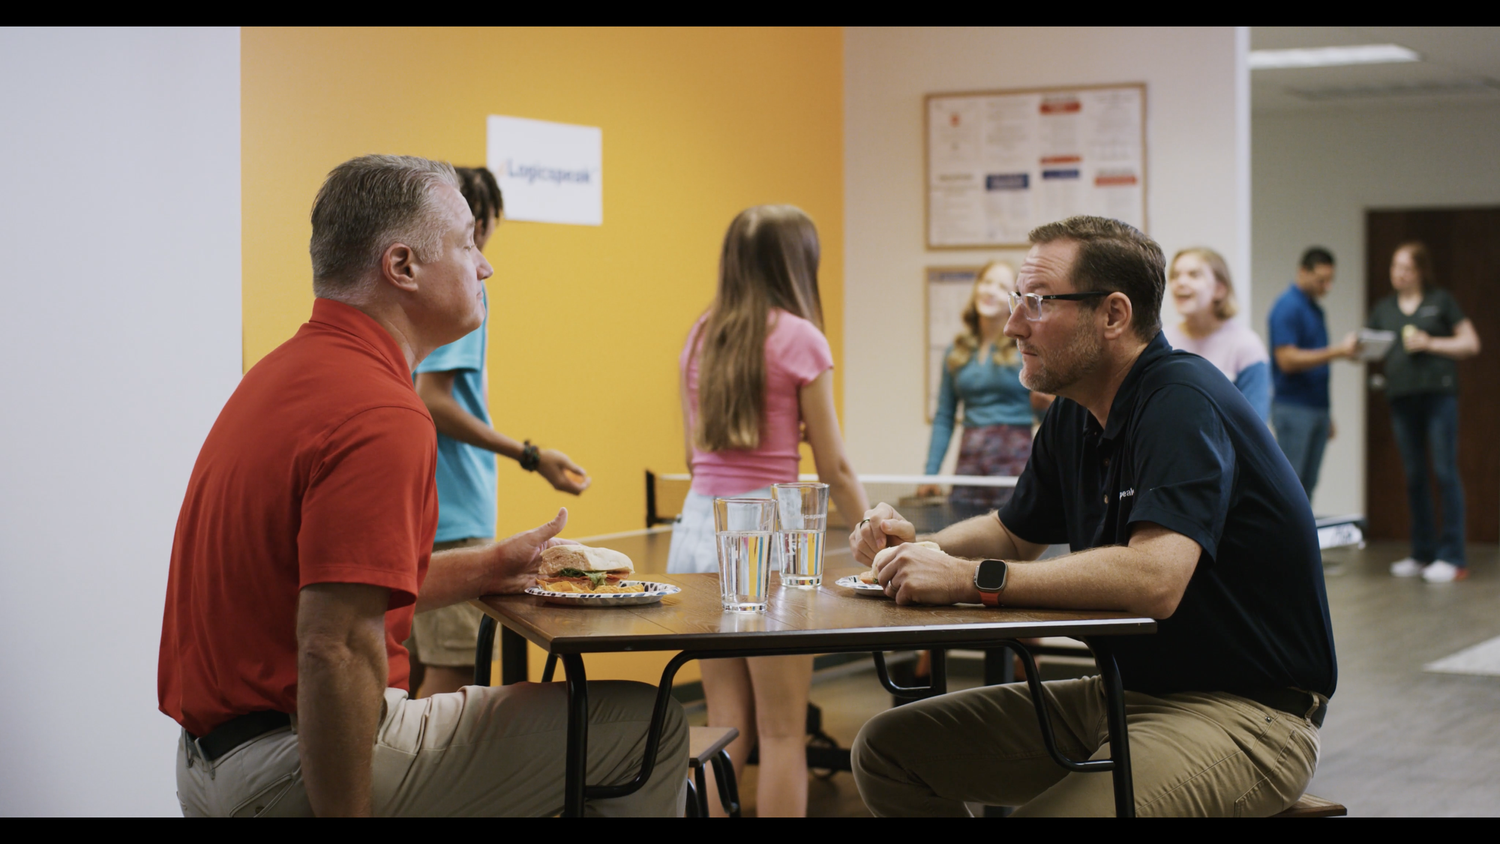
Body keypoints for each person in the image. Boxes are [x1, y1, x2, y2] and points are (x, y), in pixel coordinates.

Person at [159, 155, 686, 817]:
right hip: (296, 761)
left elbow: (330, 587)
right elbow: (334, 645)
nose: (486, 266)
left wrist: (492, 566)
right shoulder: (382, 411)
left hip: (210, 764)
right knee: (647, 727)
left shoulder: (279, 375)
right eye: (467, 244)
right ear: (402, 266)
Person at [848, 216, 1337, 817]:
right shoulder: (1075, 413)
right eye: (1015, 301)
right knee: (888, 750)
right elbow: (1011, 533)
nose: (1012, 324)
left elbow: (1155, 580)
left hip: (1246, 715)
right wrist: (918, 549)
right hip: (1123, 692)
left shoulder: (1180, 400)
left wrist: (968, 578)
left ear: (1113, 315)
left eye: (1038, 302)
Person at [668, 205, 869, 817]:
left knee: (723, 723)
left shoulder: (702, 333)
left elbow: (690, 450)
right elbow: (833, 465)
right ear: (797, 263)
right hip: (765, 538)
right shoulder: (801, 338)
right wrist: (875, 534)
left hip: (702, 530)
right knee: (783, 731)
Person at [407, 166, 590, 698]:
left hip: (434, 513)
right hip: (455, 520)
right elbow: (433, 400)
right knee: (452, 673)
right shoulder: (461, 300)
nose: (483, 263)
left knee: (422, 672)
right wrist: (530, 455)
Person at [1367, 241, 1481, 583]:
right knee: (1414, 477)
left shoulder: (1440, 302)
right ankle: (1422, 552)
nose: (1398, 274)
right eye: (1394, 267)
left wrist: (1432, 343)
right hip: (1402, 399)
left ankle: (1453, 557)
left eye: (1405, 268)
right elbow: (1372, 345)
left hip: (1438, 398)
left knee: (1445, 472)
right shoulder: (1384, 308)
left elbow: (1471, 343)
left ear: (1419, 271)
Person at [917, 261, 1035, 518]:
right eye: (986, 282)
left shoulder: (1025, 348)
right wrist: (930, 473)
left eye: (1001, 286)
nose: (991, 290)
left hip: (1015, 460)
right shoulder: (956, 351)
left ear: (1013, 300)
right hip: (970, 459)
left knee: (1015, 536)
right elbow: (944, 417)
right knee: (965, 536)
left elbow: (1048, 413)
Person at [1267, 247, 1359, 500]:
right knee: (1290, 487)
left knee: (1308, 485)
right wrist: (1338, 351)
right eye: (1321, 280)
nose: (1327, 287)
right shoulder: (1287, 307)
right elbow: (1286, 360)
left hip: (1316, 409)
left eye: (1330, 280)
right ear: (1302, 272)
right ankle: (1284, 541)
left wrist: (1326, 413)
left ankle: (1301, 540)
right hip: (1293, 408)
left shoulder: (1315, 310)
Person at [1162, 247, 1271, 422]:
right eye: (1175, 275)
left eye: (1194, 274)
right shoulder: (1161, 341)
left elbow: (1254, 425)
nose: (1180, 282)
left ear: (1219, 289)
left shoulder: (1246, 346)